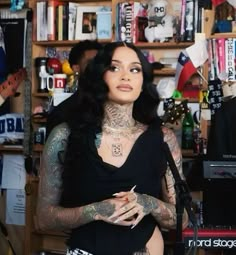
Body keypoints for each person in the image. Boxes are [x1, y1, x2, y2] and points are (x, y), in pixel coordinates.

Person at [36, 42, 188, 255]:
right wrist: (96, 210)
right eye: (115, 67)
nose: (126, 76)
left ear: (143, 80)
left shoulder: (163, 139)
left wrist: (148, 203)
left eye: (134, 69)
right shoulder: (65, 136)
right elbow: (43, 219)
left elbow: (182, 218)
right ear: (99, 76)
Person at [46, 40, 102, 138]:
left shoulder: (114, 108)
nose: (97, 67)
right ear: (76, 68)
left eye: (100, 62)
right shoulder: (61, 114)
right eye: (91, 62)